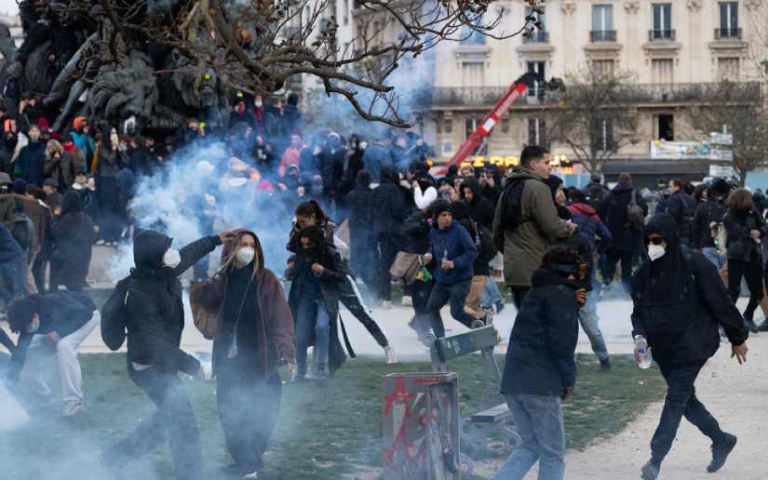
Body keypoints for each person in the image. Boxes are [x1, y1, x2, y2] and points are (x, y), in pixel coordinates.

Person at [101, 228, 234, 480]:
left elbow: (186, 255)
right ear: (154, 256)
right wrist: (196, 367)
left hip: (162, 363)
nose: (171, 253)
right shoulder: (140, 292)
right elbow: (157, 345)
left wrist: (215, 240)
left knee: (166, 421)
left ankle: (113, 459)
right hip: (149, 367)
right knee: (183, 425)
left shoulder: (160, 272)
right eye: (165, 249)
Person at [630, 214, 749, 480]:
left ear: (670, 239)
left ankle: (655, 459)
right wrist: (639, 337)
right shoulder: (644, 274)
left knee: (675, 398)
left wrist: (737, 336)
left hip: (694, 343)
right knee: (685, 401)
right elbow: (637, 312)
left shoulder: (694, 263)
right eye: (648, 241)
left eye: (658, 240)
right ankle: (721, 439)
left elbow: (719, 300)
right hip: (663, 348)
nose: (653, 246)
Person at [193, 230, 296, 478]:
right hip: (230, 360)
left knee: (265, 411)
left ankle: (251, 458)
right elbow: (206, 303)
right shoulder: (223, 279)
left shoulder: (267, 280)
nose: (248, 249)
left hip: (261, 359)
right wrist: (216, 279)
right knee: (229, 413)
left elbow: (281, 319)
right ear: (233, 250)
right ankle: (244, 460)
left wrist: (286, 353)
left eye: (252, 245)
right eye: (243, 245)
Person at [493, 246, 586, 480]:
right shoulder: (562, 295)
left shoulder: (538, 291)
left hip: (514, 382)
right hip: (540, 385)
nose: (579, 276)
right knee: (553, 453)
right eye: (576, 272)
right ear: (567, 272)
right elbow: (562, 344)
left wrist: (571, 303)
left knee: (531, 446)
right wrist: (568, 380)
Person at [493, 146, 575, 307]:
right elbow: (552, 226)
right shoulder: (538, 188)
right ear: (533, 165)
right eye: (547, 162)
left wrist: (512, 253)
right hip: (535, 270)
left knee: (525, 322)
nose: (550, 166)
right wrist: (569, 227)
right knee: (538, 325)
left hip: (514, 271)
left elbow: (497, 233)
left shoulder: (507, 189)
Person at [3, 291, 99, 417]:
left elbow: (84, 314)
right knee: (27, 357)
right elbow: (19, 356)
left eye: (27, 327)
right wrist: (8, 388)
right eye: (24, 330)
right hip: (61, 327)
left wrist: (60, 332)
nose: (27, 331)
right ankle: (44, 400)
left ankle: (75, 403)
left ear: (35, 316)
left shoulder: (54, 302)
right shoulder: (26, 319)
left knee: (64, 346)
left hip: (88, 317)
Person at [286, 225, 350, 380]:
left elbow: (342, 275)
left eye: (309, 244)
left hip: (324, 297)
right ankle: (300, 371)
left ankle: (320, 368)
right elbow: (291, 273)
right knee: (300, 335)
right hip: (305, 298)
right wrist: (290, 271)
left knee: (322, 327)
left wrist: (324, 271)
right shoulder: (300, 255)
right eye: (303, 244)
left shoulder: (329, 253)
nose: (305, 247)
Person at [423, 200, 479, 338]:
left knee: (456, 313)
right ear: (436, 217)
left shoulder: (459, 230)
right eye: (443, 215)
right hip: (443, 279)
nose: (447, 217)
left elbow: (472, 252)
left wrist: (454, 263)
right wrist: (429, 254)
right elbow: (435, 247)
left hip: (461, 279)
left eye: (449, 214)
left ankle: (481, 328)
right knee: (431, 308)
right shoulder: (433, 232)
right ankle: (440, 341)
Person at [722, 188, 765, 333]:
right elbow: (734, 231)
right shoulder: (729, 214)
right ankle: (727, 321)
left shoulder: (753, 211)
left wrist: (761, 231)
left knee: (758, 291)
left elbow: (763, 224)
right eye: (748, 198)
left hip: (754, 254)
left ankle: (748, 315)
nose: (751, 200)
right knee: (734, 290)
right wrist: (750, 232)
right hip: (737, 255)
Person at [598, 172, 648, 293]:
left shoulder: (609, 196)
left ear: (618, 182)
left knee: (610, 265)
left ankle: (608, 288)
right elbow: (644, 211)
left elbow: (600, 213)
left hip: (612, 238)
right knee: (627, 266)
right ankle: (626, 291)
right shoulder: (635, 195)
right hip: (630, 236)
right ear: (630, 181)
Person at [372, 165, 409, 308]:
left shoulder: (375, 191)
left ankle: (385, 298)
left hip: (381, 233)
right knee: (402, 261)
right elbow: (399, 211)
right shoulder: (394, 190)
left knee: (384, 265)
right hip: (396, 232)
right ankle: (406, 295)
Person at [49, 191, 95, 291]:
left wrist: (56, 216)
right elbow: (92, 237)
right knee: (76, 289)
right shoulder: (87, 218)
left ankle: (53, 299)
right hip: (83, 258)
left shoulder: (68, 218)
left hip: (68, 259)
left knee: (57, 285)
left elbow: (56, 232)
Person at [345, 170, 378, 290]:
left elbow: (349, 214)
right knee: (371, 260)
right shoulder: (372, 194)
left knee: (356, 258)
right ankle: (373, 288)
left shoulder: (351, 194)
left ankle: (353, 286)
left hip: (355, 231)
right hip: (370, 231)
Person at [692, 179, 729, 269]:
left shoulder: (702, 207)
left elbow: (695, 227)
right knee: (724, 276)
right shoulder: (728, 207)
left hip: (707, 244)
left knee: (712, 275)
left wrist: (696, 245)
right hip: (725, 245)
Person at [0, 222, 26, 306]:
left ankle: (20, 310)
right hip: (6, 258)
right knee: (11, 287)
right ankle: (11, 307)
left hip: (12, 257)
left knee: (16, 288)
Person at [665, 179, 694, 246]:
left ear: (677, 187)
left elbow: (671, 216)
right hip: (690, 234)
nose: (669, 189)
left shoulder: (674, 198)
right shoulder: (689, 197)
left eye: (670, 186)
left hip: (679, 234)